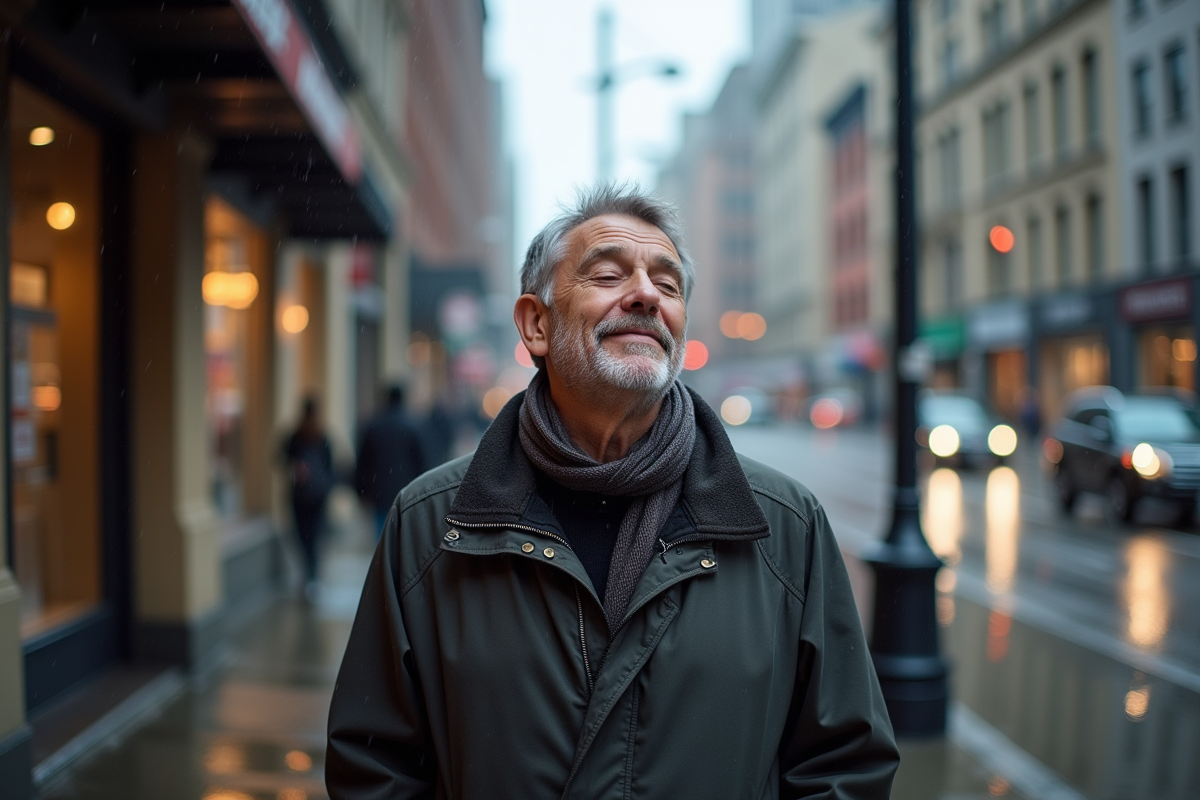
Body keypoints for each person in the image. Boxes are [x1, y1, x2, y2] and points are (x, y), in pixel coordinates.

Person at [327, 185, 899, 798]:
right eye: (607, 274)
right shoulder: (431, 526)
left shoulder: (785, 527)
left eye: (669, 284)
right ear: (536, 324)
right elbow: (376, 769)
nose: (648, 295)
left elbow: (843, 764)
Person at [354, 383, 428, 537]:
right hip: (406, 490)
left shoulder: (373, 426)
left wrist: (361, 490)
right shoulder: (413, 426)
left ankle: (383, 560)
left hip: (379, 491)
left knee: (382, 534)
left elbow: (363, 462)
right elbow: (421, 461)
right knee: (403, 535)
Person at [283, 396, 333, 600]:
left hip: (300, 495)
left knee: (303, 536)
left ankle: (308, 575)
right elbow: (331, 466)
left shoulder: (295, 436)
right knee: (313, 536)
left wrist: (297, 467)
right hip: (317, 495)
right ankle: (312, 577)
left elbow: (280, 459)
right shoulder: (321, 436)